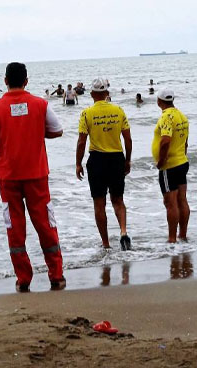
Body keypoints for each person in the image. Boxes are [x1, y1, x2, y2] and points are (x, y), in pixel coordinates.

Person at [0, 62, 66, 293]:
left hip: (8, 178)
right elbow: (58, 130)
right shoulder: (40, 104)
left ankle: (23, 278)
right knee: (46, 225)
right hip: (37, 175)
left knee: (15, 228)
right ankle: (56, 275)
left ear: (5, 81)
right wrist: (37, 130)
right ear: (26, 81)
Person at [76, 78, 132, 251]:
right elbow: (128, 139)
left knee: (99, 204)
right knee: (118, 200)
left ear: (92, 94)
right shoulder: (118, 110)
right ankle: (123, 232)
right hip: (116, 158)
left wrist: (78, 163)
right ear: (107, 93)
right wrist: (127, 159)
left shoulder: (87, 113)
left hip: (97, 160)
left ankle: (106, 244)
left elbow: (81, 141)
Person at [152, 88, 190, 243]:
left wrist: (161, 160)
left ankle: (172, 239)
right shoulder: (181, 116)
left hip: (169, 165)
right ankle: (183, 235)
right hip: (182, 162)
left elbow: (166, 140)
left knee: (170, 203)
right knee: (182, 200)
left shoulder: (166, 117)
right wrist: (182, 155)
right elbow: (186, 141)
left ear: (159, 101)